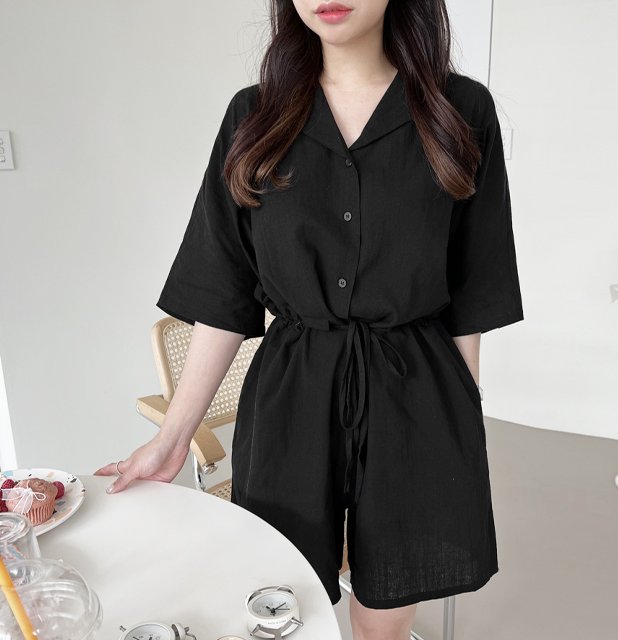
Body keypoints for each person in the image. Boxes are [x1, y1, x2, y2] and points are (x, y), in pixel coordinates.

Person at [95, 0, 524, 637]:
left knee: (388, 597)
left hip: (415, 391)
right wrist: (174, 436)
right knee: (280, 593)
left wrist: (461, 414)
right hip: (291, 396)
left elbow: (473, 288)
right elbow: (223, 294)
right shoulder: (255, 115)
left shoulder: (459, 109)